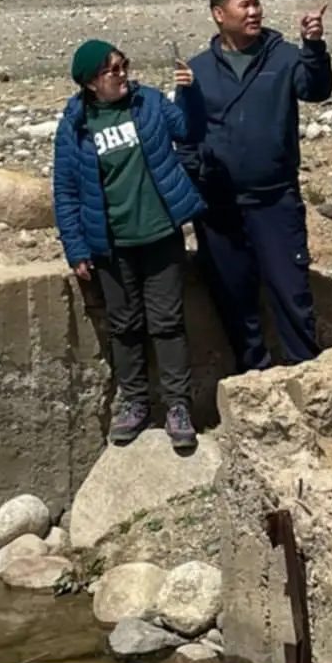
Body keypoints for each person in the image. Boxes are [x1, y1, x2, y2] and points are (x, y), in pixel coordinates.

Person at [53, 40, 207, 451]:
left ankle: (178, 406)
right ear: (91, 82)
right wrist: (76, 248)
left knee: (168, 322)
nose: (123, 74)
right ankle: (136, 403)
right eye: (113, 70)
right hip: (112, 245)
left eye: (124, 65)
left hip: (160, 235)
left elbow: (189, 130)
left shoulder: (148, 102)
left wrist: (190, 93)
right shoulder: (75, 125)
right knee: (124, 326)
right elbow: (66, 191)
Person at [181, 0, 332, 372]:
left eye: (256, 3)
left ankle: (305, 371)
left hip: (275, 199)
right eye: (244, 5)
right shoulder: (198, 70)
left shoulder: (283, 56)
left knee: (291, 290)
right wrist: (196, 179)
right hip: (219, 206)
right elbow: (186, 134)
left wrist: (314, 46)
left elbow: (316, 90)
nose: (254, 11)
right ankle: (254, 375)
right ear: (219, 14)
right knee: (233, 297)